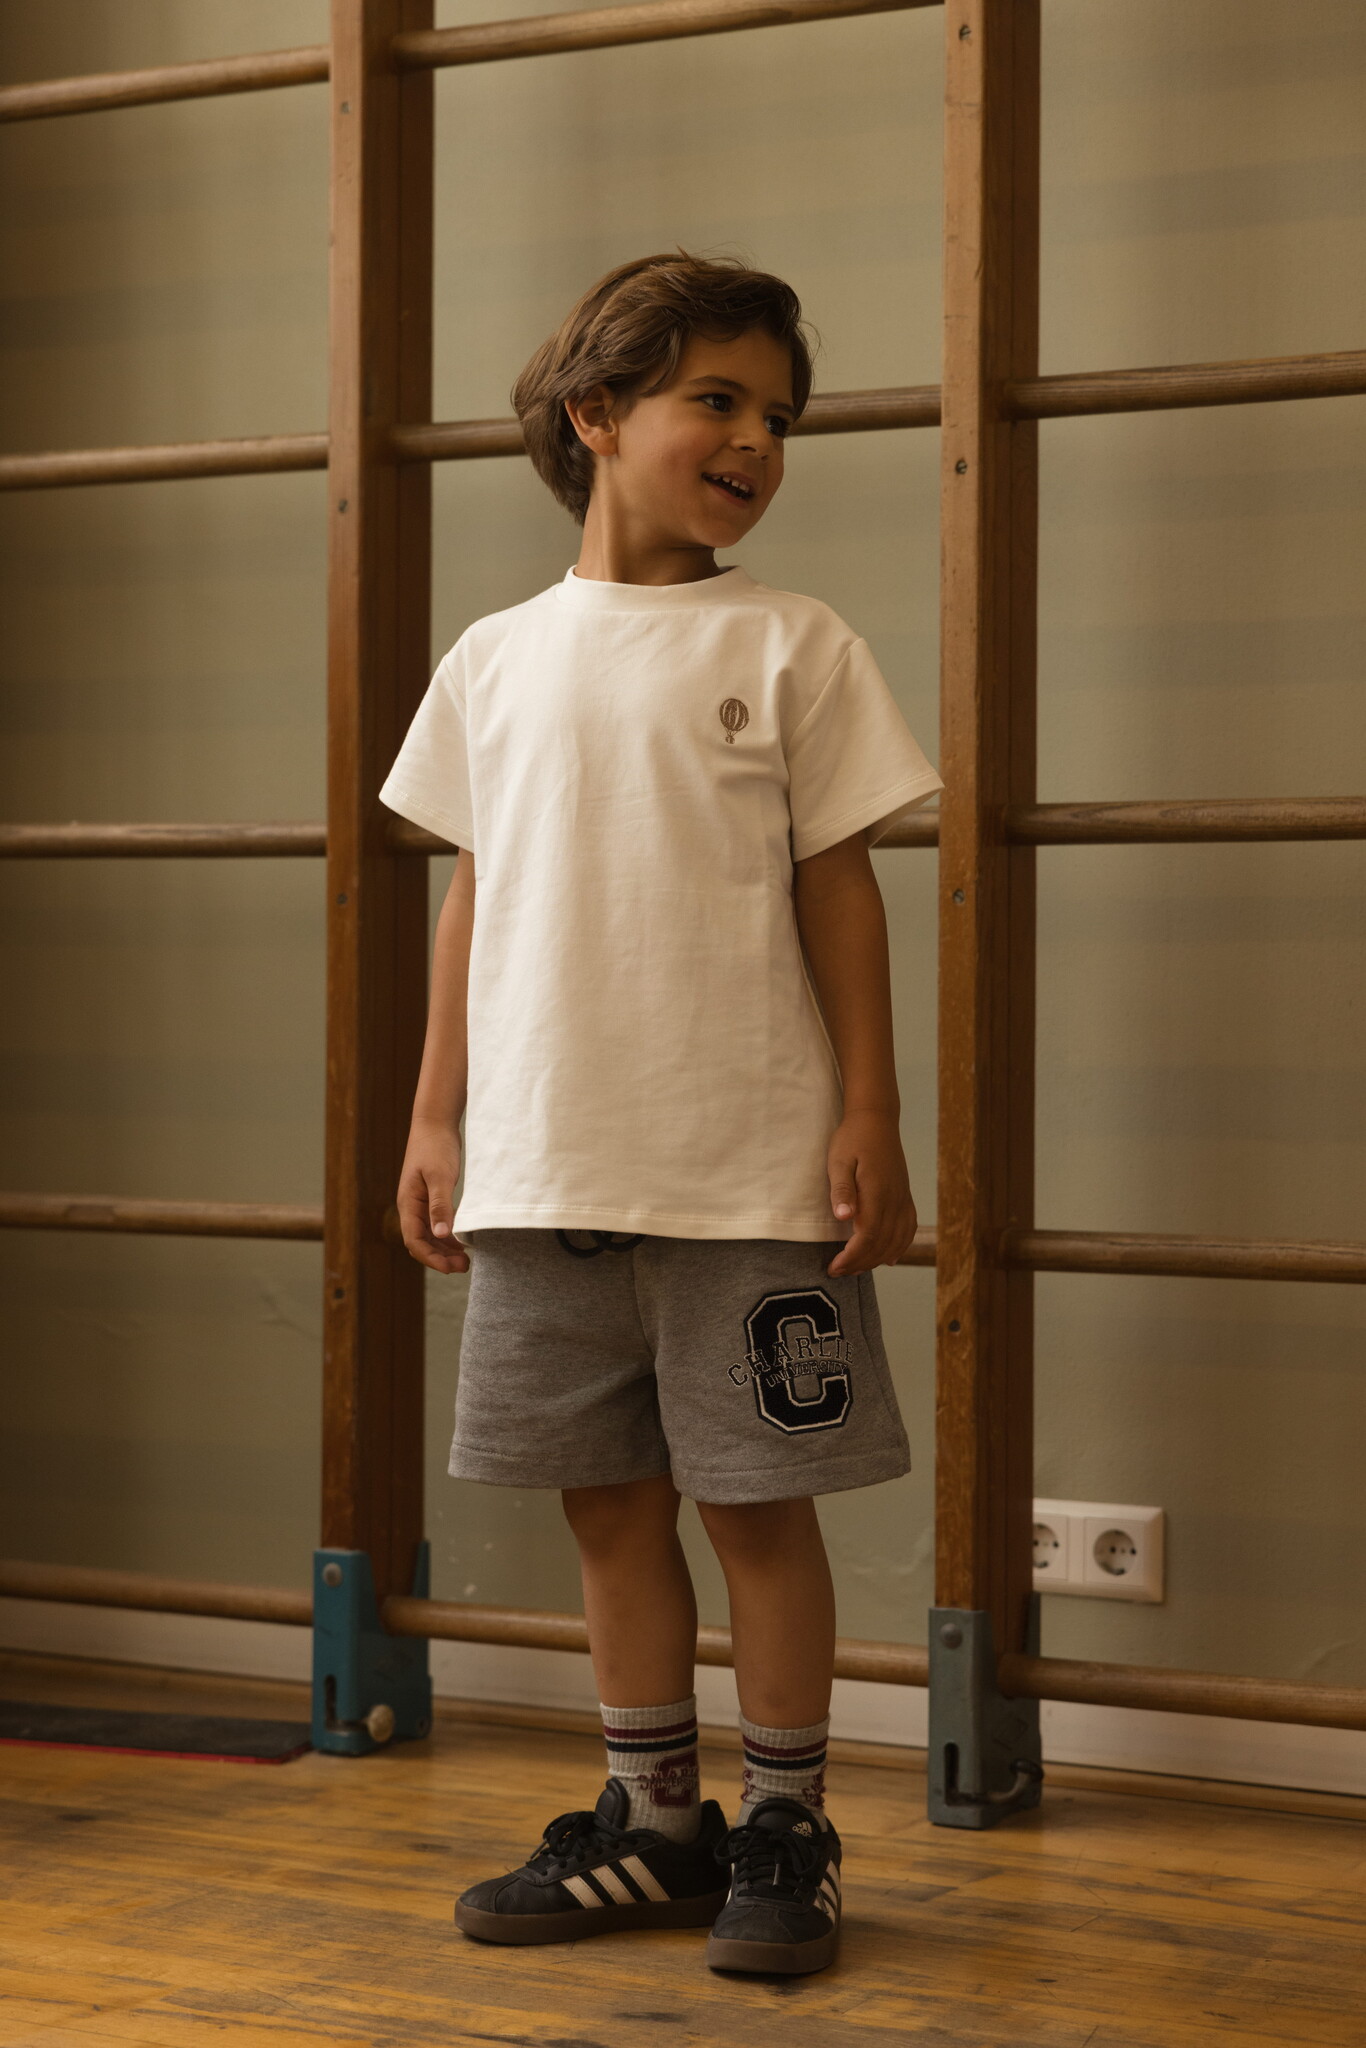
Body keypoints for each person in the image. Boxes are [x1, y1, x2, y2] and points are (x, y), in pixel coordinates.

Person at [382, 252, 942, 1978]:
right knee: (607, 1505)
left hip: (749, 1180)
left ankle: (785, 1827)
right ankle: (656, 1826)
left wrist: (871, 1111)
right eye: (717, 398)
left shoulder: (792, 644)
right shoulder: (493, 659)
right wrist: (435, 1118)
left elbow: (839, 890)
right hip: (546, 1171)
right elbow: (474, 897)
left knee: (758, 1508)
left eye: (776, 413)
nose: (755, 438)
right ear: (597, 414)